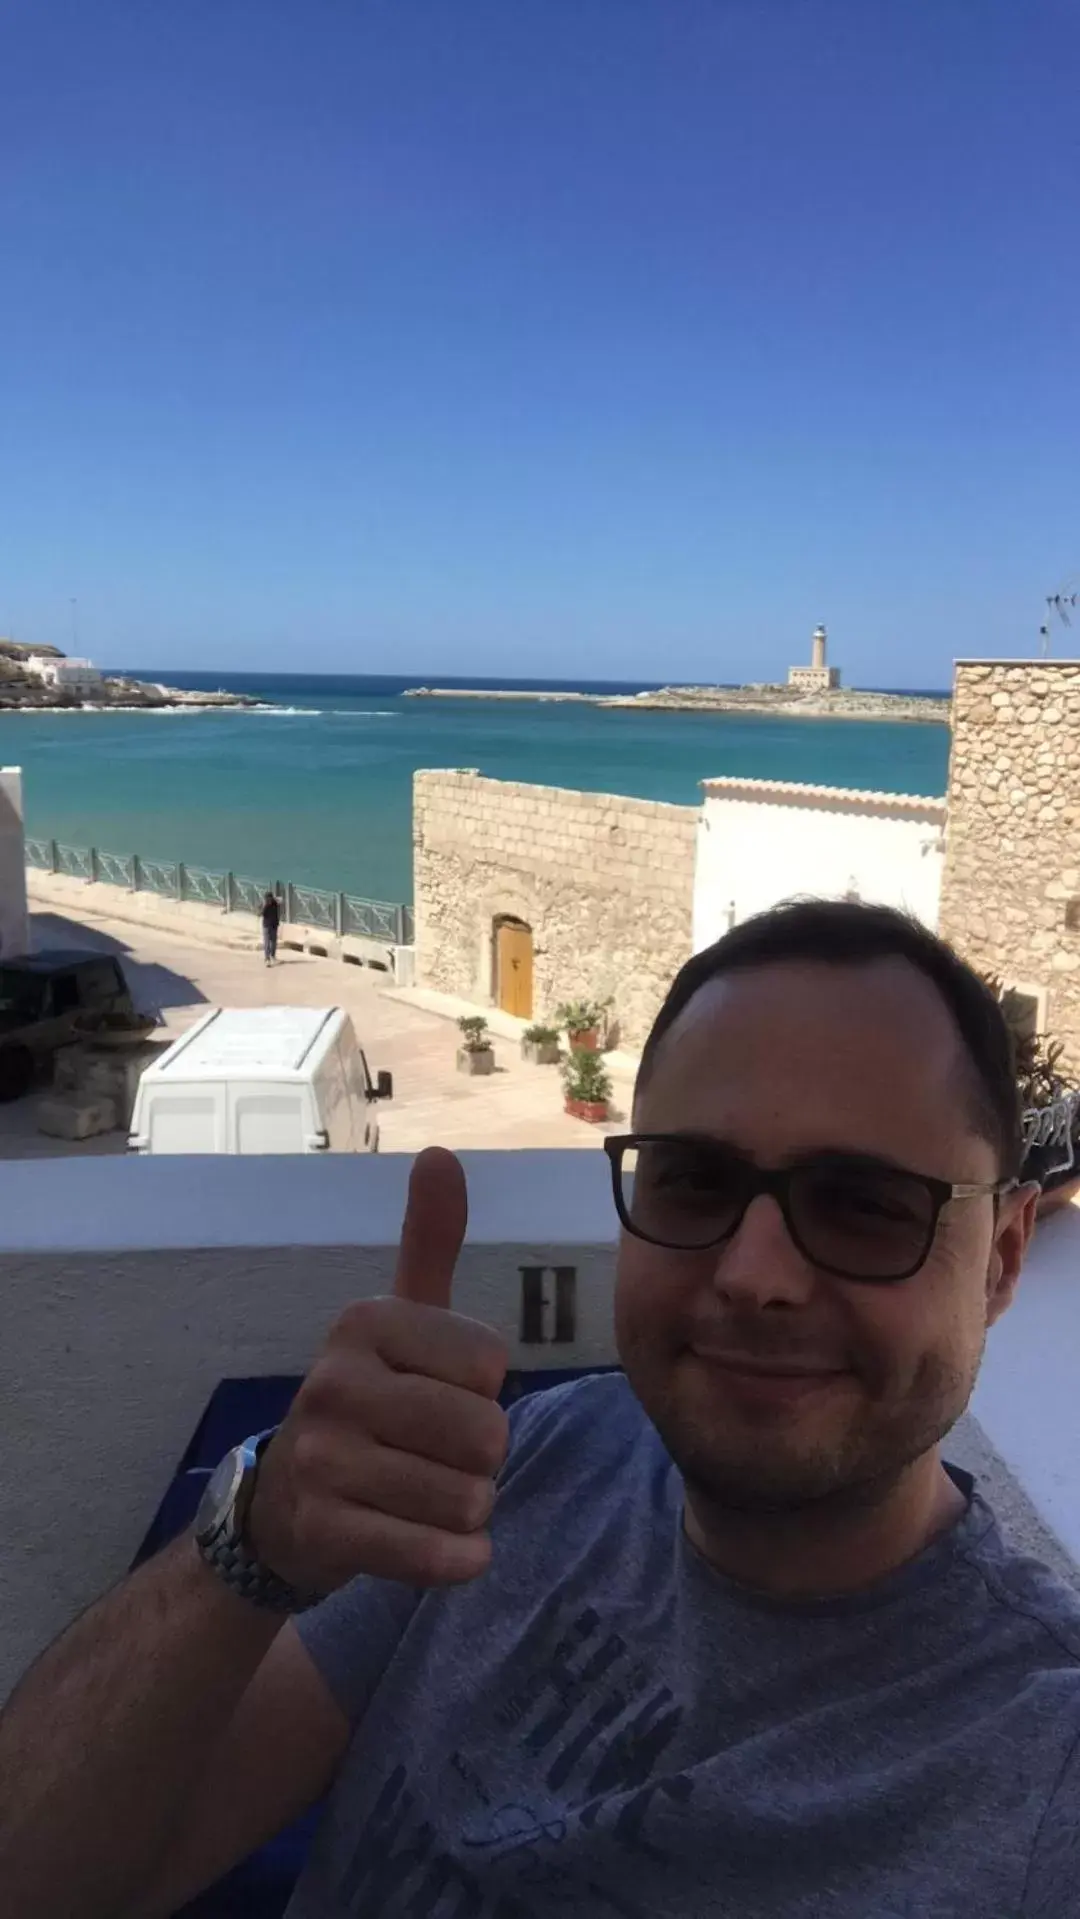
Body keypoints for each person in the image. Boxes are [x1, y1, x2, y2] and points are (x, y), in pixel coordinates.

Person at [2, 900, 1079, 1919]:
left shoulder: (1036, 1754)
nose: (756, 1274)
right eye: (694, 1179)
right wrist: (255, 1535)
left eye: (863, 1204)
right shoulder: (541, 1459)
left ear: (1004, 1255)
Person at [261, 889, 281, 966]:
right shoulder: (265, 905)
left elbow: (281, 900)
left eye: (269, 898)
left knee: (273, 942)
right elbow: (261, 913)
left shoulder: (275, 903)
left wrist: (274, 899)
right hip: (266, 926)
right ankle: (267, 959)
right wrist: (265, 905)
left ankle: (272, 956)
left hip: (274, 925)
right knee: (267, 943)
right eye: (267, 898)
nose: (268, 900)